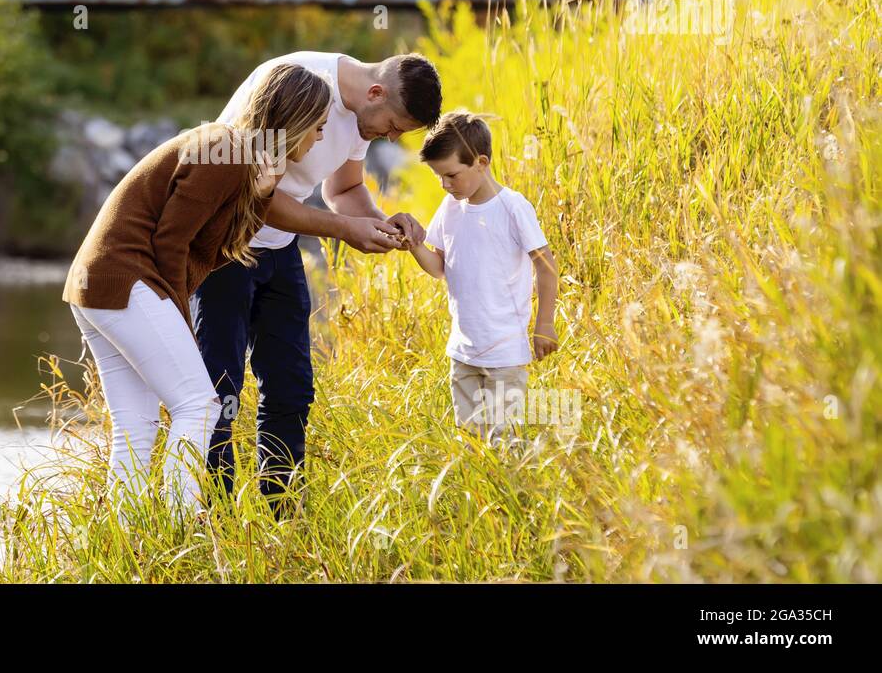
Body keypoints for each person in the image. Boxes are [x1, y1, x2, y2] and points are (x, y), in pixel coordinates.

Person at [64, 64, 333, 513]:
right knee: (200, 405)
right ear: (296, 120)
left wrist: (262, 195)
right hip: (127, 279)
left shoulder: (241, 160)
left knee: (137, 424)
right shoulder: (225, 150)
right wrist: (182, 324)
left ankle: (129, 538)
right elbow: (169, 243)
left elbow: (210, 250)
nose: (321, 138)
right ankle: (182, 526)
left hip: (98, 284)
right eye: (319, 127)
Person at [194, 51, 442, 513]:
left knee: (291, 385)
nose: (390, 137)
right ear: (375, 92)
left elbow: (343, 190)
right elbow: (252, 193)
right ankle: (214, 519)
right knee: (218, 389)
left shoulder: (362, 112)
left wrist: (383, 224)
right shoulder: (295, 86)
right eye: (392, 126)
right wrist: (346, 230)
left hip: (280, 249)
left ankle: (280, 515)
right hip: (226, 247)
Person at [404, 111, 559, 443]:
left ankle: (516, 494)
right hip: (463, 353)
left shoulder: (512, 207)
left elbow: (546, 266)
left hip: (504, 353)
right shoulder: (450, 208)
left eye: (451, 175)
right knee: (472, 442)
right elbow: (438, 268)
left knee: (506, 442)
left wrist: (544, 324)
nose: (445, 185)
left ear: (481, 162)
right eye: (439, 178)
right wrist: (413, 244)